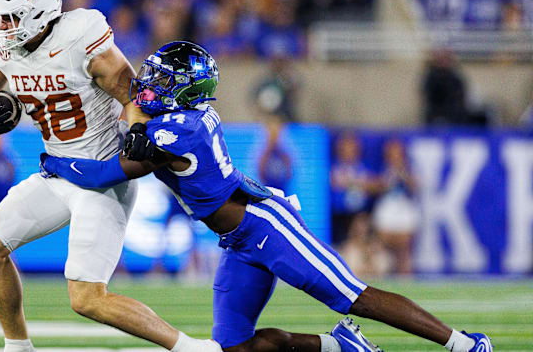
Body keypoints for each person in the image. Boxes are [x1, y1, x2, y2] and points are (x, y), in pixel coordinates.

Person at [40, 41, 493, 352]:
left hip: (265, 226)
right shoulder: (189, 117)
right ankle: (338, 346)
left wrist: (55, 160)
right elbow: (138, 121)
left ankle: (464, 342)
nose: (149, 85)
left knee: (355, 296)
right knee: (235, 347)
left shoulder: (179, 131)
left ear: (185, 89)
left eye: (162, 80)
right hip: (237, 240)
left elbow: (103, 173)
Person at [0, 0, 220, 352]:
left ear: (39, 12)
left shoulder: (80, 37)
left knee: (86, 298)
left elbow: (132, 94)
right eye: (2, 17)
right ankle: (17, 347)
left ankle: (191, 348)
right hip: (57, 172)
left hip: (102, 176)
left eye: (14, 17)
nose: (5, 26)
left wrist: (136, 130)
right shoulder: (2, 44)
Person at [371, 139, 419, 275]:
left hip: (403, 208)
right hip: (387, 208)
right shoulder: (381, 168)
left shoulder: (408, 168)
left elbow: (416, 185)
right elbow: (373, 186)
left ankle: (406, 277)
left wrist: (403, 174)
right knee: (382, 246)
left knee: (404, 250)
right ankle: (383, 277)